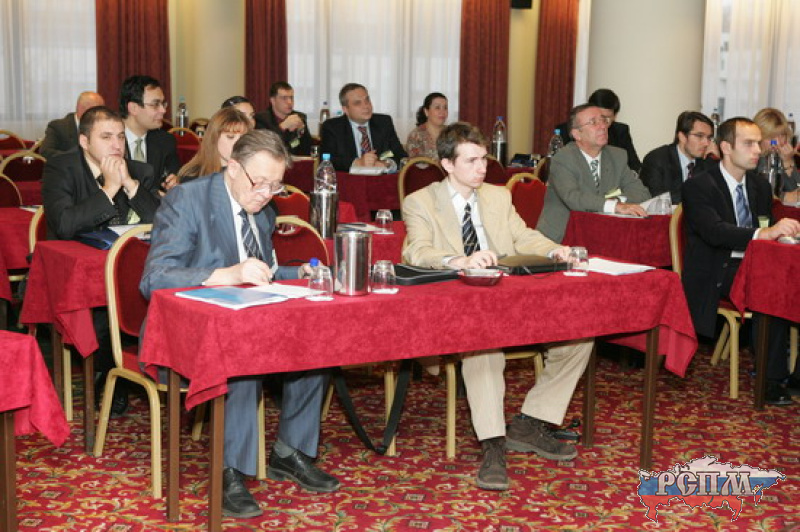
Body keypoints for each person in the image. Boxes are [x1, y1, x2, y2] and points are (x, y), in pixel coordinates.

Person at [140, 130, 338, 518]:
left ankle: (290, 452)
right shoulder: (187, 200)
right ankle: (228, 471)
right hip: (185, 334)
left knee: (316, 344)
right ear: (233, 167)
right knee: (242, 359)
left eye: (275, 186)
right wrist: (227, 274)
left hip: (248, 321)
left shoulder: (262, 208)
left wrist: (303, 272)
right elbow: (155, 278)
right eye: (259, 182)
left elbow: (263, 271)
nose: (266, 194)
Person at [402, 122, 594, 491]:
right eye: (471, 161)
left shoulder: (497, 196)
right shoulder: (421, 201)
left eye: (484, 159)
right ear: (447, 164)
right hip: (455, 307)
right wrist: (460, 260)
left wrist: (556, 250)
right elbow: (417, 251)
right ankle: (493, 444)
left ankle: (531, 422)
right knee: (484, 345)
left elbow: (523, 236)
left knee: (581, 336)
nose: (481, 168)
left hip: (507, 300)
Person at [42, 105, 161, 417]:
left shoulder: (139, 170)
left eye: (120, 136)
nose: (116, 145)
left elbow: (164, 225)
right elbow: (64, 224)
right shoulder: (61, 168)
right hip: (70, 274)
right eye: (106, 137)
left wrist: (130, 185)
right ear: (84, 141)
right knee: (104, 309)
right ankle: (110, 376)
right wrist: (109, 188)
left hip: (129, 267)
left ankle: (135, 367)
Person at [681, 117, 800, 405]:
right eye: (749, 143)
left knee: (790, 279)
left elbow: (765, 226)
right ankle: (770, 381)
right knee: (772, 288)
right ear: (726, 147)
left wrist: (784, 236)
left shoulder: (759, 186)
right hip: (718, 269)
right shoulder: (699, 185)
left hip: (756, 264)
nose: (758, 150)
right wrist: (764, 233)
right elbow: (715, 232)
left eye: (758, 143)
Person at [537, 104, 651, 243]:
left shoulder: (617, 156)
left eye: (603, 120)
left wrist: (617, 201)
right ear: (577, 134)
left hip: (603, 234)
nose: (602, 126)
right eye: (593, 122)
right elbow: (573, 198)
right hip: (563, 237)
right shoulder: (563, 158)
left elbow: (642, 193)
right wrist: (614, 206)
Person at [320, 83, 407, 172]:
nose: (366, 106)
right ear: (346, 109)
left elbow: (400, 155)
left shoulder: (384, 122)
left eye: (367, 100)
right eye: (357, 103)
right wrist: (357, 162)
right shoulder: (332, 127)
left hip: (381, 179)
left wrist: (387, 164)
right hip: (350, 179)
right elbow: (327, 160)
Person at [639, 111, 717, 204]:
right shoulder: (657, 159)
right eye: (700, 136)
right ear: (682, 137)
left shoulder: (708, 162)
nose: (706, 143)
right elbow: (657, 199)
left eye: (709, 138)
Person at [119, 75, 181, 192]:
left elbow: (174, 175)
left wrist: (175, 181)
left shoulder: (165, 141)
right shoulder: (110, 141)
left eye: (163, 104)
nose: (163, 110)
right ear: (133, 108)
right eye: (155, 104)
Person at [556, 89, 641, 171]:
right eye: (594, 121)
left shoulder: (620, 132)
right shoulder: (567, 130)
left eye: (605, 119)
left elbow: (635, 166)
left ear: (614, 117)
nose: (602, 125)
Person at [177, 107, 252, 183]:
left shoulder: (251, 173)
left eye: (243, 138)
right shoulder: (193, 177)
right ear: (214, 138)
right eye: (230, 137)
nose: (238, 143)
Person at [753, 107, 800, 204]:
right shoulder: (750, 158)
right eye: (771, 137)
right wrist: (783, 197)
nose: (777, 142)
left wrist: (788, 161)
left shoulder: (781, 156)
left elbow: (796, 192)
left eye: (782, 135)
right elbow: (753, 194)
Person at [40, 91, 105, 160]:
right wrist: (75, 158)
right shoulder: (58, 127)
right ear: (82, 108)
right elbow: (46, 151)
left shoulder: (102, 126)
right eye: (98, 110)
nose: (101, 114)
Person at [254, 82, 312, 156]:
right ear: (273, 101)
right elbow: (266, 147)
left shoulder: (300, 117)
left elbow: (307, 150)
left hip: (295, 162)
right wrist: (282, 127)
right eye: (284, 98)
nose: (289, 102)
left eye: (291, 98)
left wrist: (301, 130)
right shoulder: (261, 119)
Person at [406, 92, 448, 159]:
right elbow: (415, 163)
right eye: (437, 107)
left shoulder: (452, 133)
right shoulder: (416, 136)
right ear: (426, 111)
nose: (442, 112)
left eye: (445, 108)